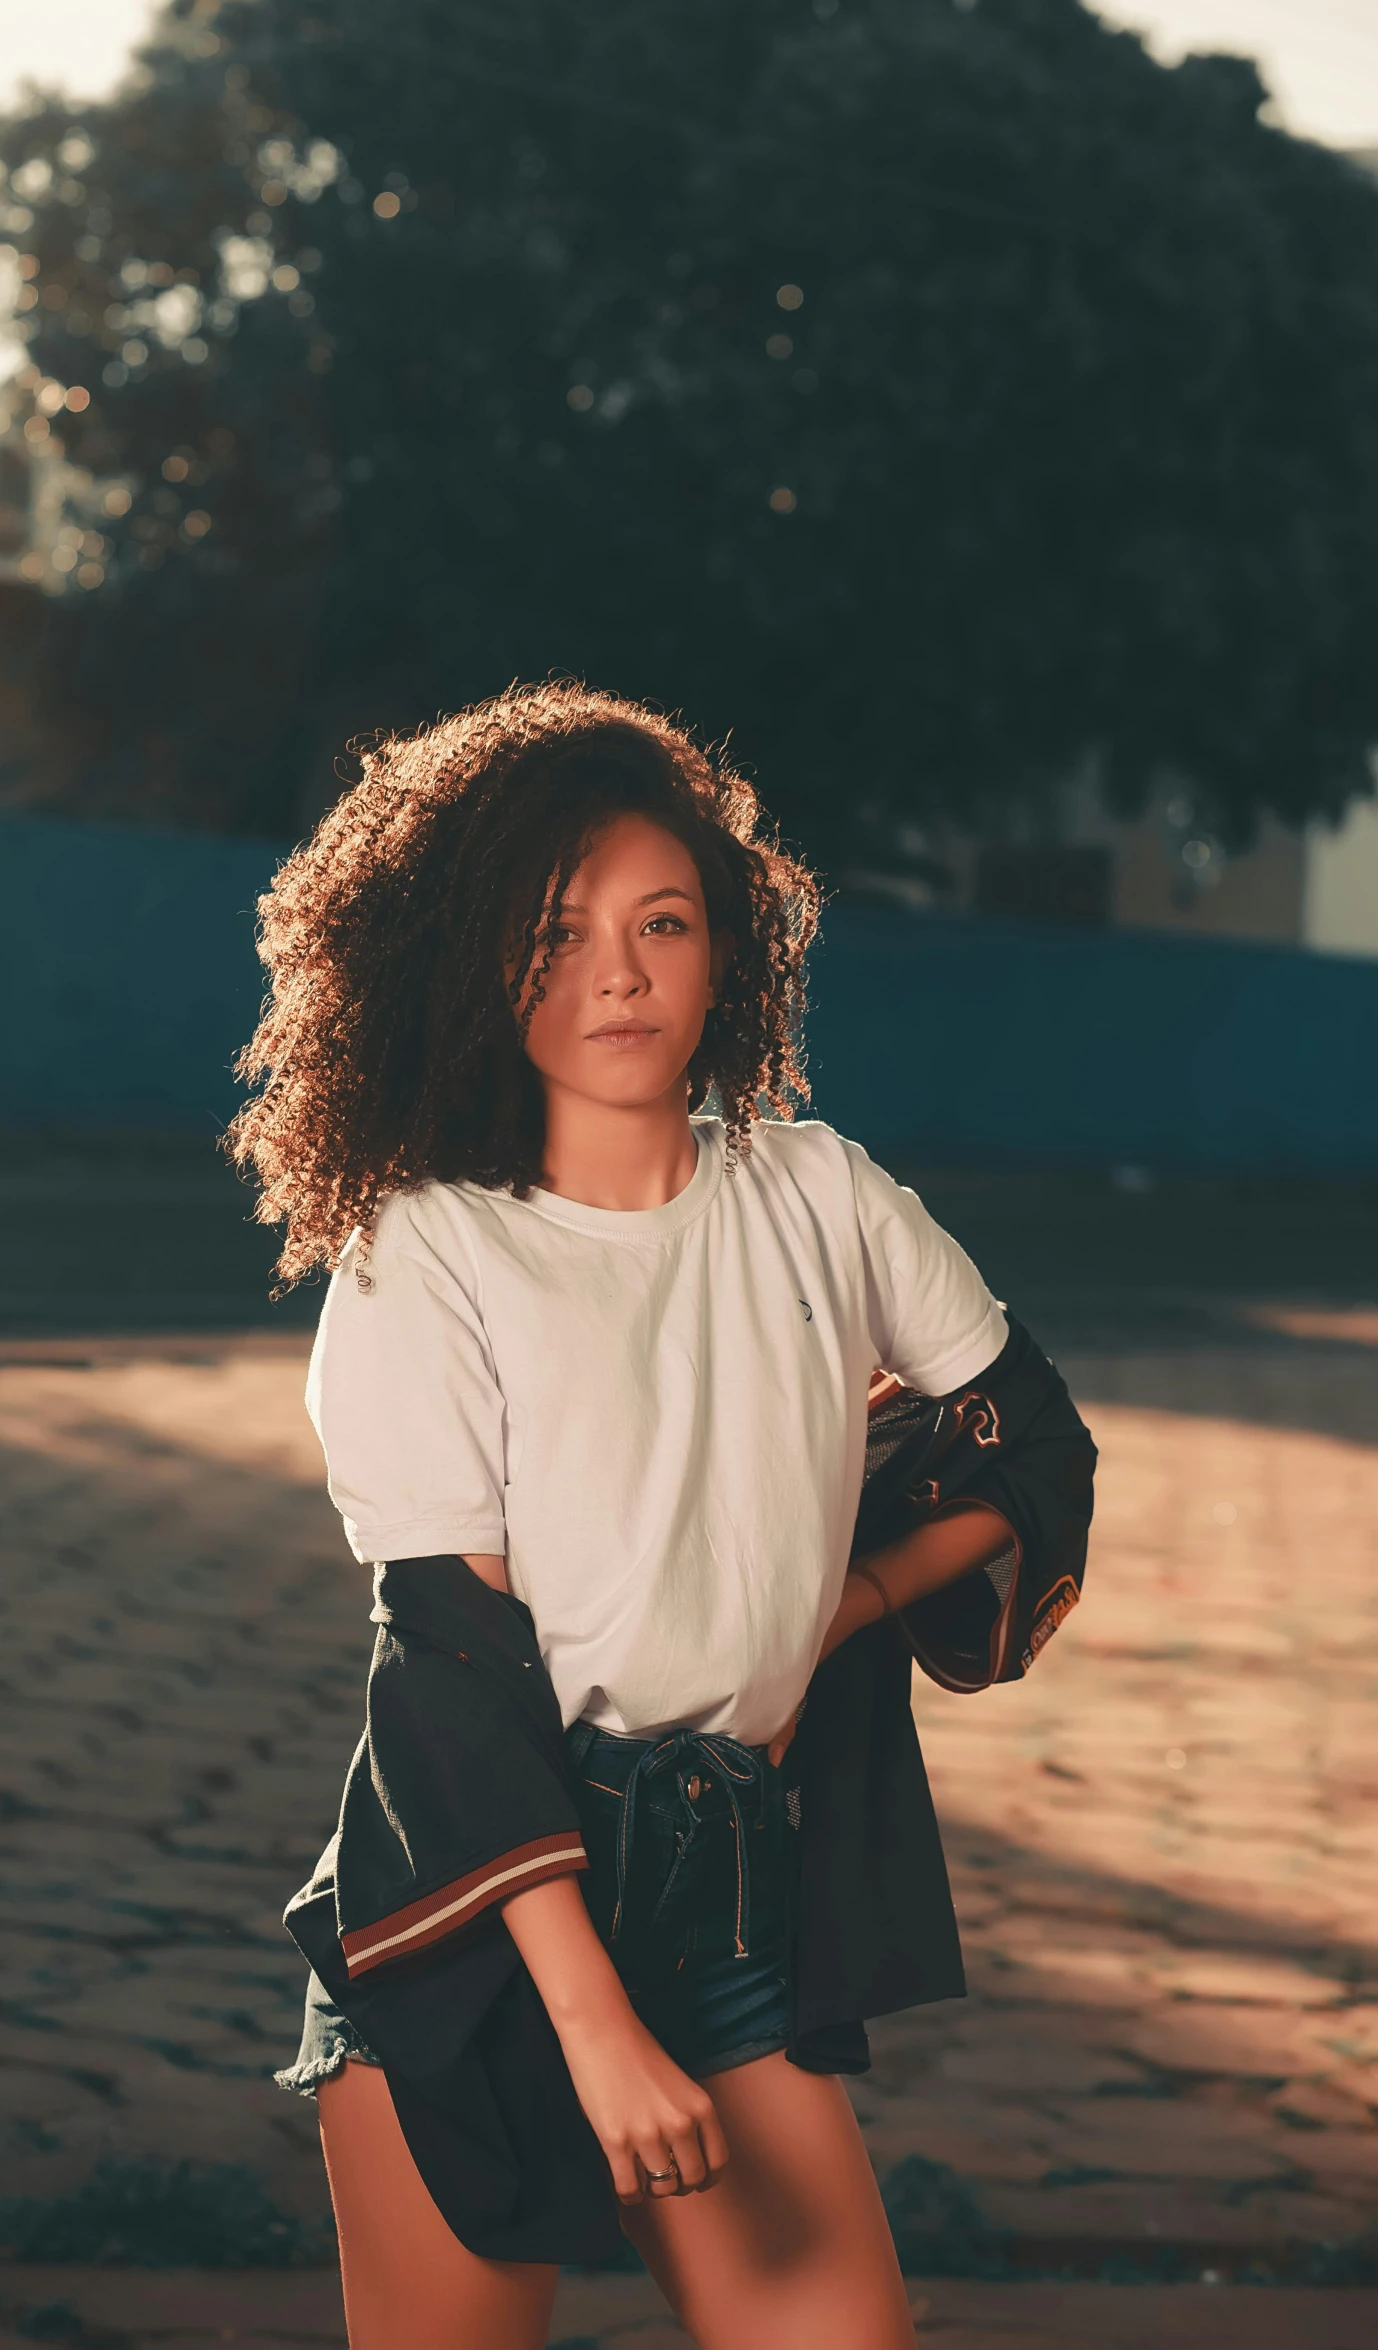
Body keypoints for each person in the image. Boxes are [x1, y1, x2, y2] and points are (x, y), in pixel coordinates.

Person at [228, 682, 1095, 2350]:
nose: (616, 971)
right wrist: (595, 2025)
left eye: (663, 920)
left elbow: (1027, 1442)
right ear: (470, 960)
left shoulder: (819, 1191)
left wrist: (832, 1609)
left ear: (732, 946)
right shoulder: (427, 1251)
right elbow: (449, 1675)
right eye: (553, 930)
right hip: (485, 1916)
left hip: (726, 1883)